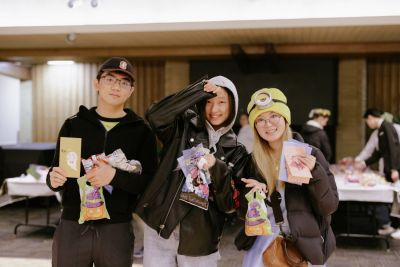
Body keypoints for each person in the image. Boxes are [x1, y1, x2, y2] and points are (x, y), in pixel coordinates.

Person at [46, 57, 158, 267]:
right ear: (96, 83)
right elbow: (56, 171)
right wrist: (53, 179)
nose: (116, 86)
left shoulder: (141, 131)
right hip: (73, 224)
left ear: (131, 90)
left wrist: (114, 176)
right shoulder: (74, 125)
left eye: (124, 82)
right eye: (110, 79)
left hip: (116, 227)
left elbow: (150, 183)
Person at [136, 76, 248, 267]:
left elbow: (229, 204)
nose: (214, 110)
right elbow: (155, 115)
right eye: (208, 102)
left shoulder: (236, 151)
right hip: (161, 228)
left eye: (222, 102)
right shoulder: (184, 126)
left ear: (233, 105)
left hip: (201, 239)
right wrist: (198, 90)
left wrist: (216, 168)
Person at [235, 88, 338, 266]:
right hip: (262, 246)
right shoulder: (253, 162)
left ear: (285, 118)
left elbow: (329, 207)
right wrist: (252, 197)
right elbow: (244, 215)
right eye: (260, 119)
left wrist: (314, 172)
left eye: (274, 116)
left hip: (302, 248)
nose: (268, 124)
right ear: (255, 126)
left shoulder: (310, 154)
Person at [355, 108, 400, 236]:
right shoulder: (381, 129)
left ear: (371, 117)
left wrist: (394, 169)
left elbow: (393, 149)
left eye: (366, 121)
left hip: (395, 168)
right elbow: (379, 152)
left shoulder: (386, 127)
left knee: (399, 197)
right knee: (395, 199)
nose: (368, 124)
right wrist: (363, 163)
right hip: (391, 168)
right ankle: (393, 225)